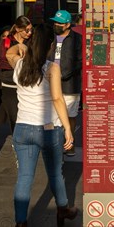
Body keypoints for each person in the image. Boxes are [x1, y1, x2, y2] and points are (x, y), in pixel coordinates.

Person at [5, 24, 77, 227]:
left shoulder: (19, 65)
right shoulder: (51, 68)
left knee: (24, 177)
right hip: (48, 129)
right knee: (55, 173)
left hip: (23, 129)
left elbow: (9, 51)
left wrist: (22, 46)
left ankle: (21, 222)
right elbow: (57, 99)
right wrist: (68, 128)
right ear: (49, 46)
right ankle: (63, 209)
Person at [49, 10, 82, 157]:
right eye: (55, 22)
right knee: (53, 116)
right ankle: (56, 144)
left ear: (68, 24)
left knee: (70, 115)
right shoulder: (51, 38)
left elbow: (80, 60)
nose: (56, 25)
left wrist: (63, 74)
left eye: (60, 23)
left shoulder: (77, 39)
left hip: (69, 84)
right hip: (50, 81)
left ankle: (70, 144)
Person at [0, 16, 33, 134]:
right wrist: (18, 61)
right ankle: (17, 141)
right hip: (10, 83)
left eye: (31, 30)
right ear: (17, 29)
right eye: (26, 30)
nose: (29, 33)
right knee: (14, 115)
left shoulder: (32, 41)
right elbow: (1, 62)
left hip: (27, 82)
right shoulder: (7, 41)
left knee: (28, 114)